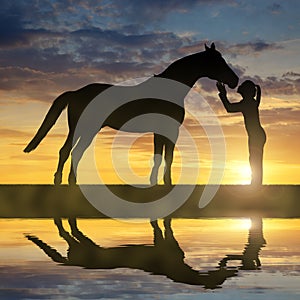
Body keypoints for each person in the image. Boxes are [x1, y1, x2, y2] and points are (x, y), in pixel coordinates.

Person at [217, 80, 266, 186]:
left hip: (256, 135)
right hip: (258, 134)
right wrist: (258, 89)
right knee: (255, 159)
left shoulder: (247, 103)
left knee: (254, 159)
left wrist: (223, 94)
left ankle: (256, 184)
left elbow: (229, 108)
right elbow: (258, 96)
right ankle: (256, 183)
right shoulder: (252, 102)